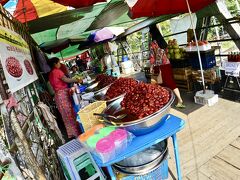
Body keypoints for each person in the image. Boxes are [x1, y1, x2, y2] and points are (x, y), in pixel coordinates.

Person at [48, 57, 82, 139]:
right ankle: (77, 133)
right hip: (62, 95)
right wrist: (76, 79)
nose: (60, 64)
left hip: (58, 96)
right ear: (55, 64)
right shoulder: (57, 71)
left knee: (65, 116)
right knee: (70, 114)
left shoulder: (51, 73)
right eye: (59, 63)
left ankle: (72, 133)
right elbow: (66, 80)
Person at [150, 40, 185, 108]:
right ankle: (166, 100)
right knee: (165, 84)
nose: (152, 47)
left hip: (163, 68)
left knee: (167, 84)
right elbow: (154, 61)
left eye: (152, 45)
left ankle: (178, 100)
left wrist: (153, 68)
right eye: (151, 46)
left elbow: (155, 61)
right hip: (163, 67)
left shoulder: (157, 51)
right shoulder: (157, 51)